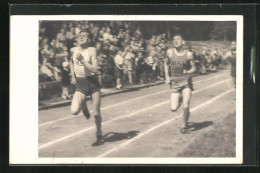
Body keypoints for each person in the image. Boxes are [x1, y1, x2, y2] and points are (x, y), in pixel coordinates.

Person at [70, 30, 103, 145]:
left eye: (84, 36)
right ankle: (83, 105)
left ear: (89, 39)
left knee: (96, 113)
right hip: (81, 83)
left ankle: (99, 134)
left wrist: (82, 61)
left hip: (92, 82)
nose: (82, 37)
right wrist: (73, 75)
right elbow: (71, 61)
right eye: (80, 35)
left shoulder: (92, 50)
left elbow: (95, 69)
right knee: (74, 111)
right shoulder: (74, 50)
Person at [164, 33, 197, 134]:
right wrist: (167, 76)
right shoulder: (169, 52)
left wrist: (188, 72)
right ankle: (181, 98)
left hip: (186, 82)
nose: (175, 41)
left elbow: (194, 67)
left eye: (178, 39)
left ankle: (184, 126)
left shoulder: (188, 54)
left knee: (186, 105)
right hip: (175, 82)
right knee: (173, 108)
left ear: (183, 42)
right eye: (174, 39)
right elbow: (165, 63)